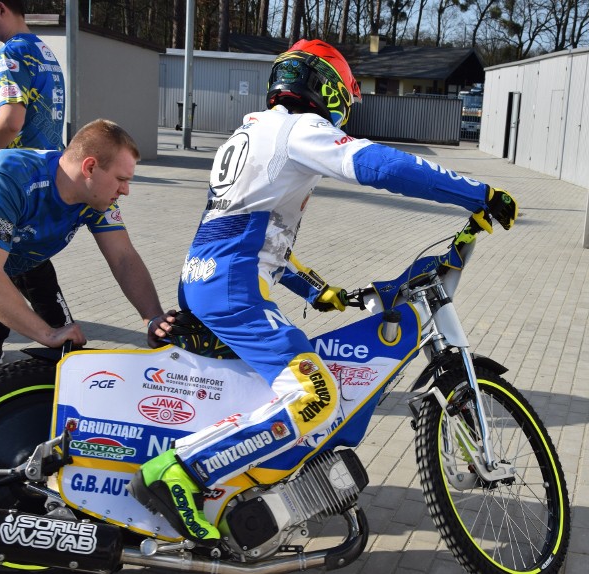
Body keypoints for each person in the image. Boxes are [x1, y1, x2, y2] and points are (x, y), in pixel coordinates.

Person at [127, 39, 518, 546]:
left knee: (273, 390)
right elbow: (382, 167)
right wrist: (477, 192)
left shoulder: (248, 132)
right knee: (315, 394)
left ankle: (254, 490)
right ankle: (179, 472)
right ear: (328, 90)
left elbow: (254, 233)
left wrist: (318, 293)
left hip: (210, 277)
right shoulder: (298, 128)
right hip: (234, 289)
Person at [0, 118, 175, 396]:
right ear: (89, 167)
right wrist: (45, 334)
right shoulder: (9, 179)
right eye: (121, 180)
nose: (126, 190)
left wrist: (153, 317)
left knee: (70, 346)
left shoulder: (96, 197)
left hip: (18, 253)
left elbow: (123, 257)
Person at [0, 0, 68, 365]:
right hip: (43, 173)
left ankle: (61, 341)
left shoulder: (11, 55)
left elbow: (11, 121)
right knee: (21, 259)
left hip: (11, 177)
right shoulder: (44, 52)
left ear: (2, 8)